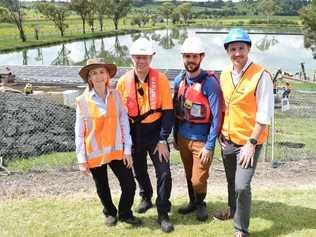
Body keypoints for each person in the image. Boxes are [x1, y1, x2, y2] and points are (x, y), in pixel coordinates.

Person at [214, 28, 274, 237]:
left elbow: (265, 115)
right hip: (228, 139)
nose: (237, 53)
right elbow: (226, 106)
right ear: (227, 51)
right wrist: (221, 131)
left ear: (248, 48)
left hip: (250, 141)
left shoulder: (261, 75)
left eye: (241, 48)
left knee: (241, 185)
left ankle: (240, 229)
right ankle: (232, 211)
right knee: (232, 181)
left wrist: (251, 143)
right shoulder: (224, 74)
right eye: (233, 49)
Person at [116, 37, 174, 233]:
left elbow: (168, 112)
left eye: (145, 57)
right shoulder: (123, 82)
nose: (141, 61)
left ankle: (163, 211)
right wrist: (124, 141)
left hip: (156, 131)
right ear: (132, 58)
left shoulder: (162, 80)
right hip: (133, 132)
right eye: (137, 57)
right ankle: (146, 196)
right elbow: (120, 115)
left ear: (151, 58)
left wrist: (163, 138)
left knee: (164, 172)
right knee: (139, 170)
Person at [75, 58, 142, 228]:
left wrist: (127, 150)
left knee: (129, 185)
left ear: (107, 75)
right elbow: (79, 132)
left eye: (101, 72)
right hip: (95, 152)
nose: (98, 76)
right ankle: (110, 212)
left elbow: (124, 123)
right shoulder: (82, 101)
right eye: (94, 73)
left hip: (117, 150)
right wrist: (82, 160)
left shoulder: (116, 96)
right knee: (102, 187)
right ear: (89, 77)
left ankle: (125, 212)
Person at [173, 36, 223, 221]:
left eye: (194, 56)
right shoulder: (179, 81)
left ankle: (201, 203)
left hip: (202, 140)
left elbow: (217, 116)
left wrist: (210, 146)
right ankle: (192, 202)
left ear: (201, 57)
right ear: (183, 58)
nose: (190, 60)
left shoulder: (210, 83)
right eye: (187, 56)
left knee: (198, 178)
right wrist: (175, 137)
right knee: (188, 174)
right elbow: (176, 111)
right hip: (183, 137)